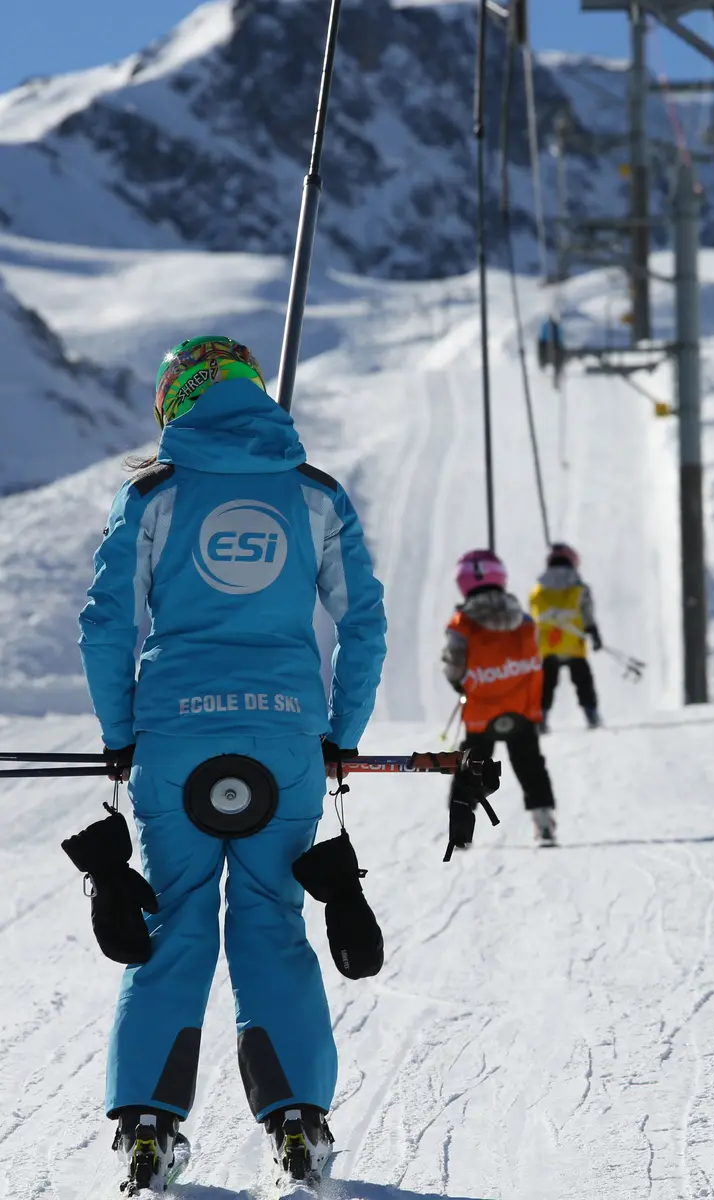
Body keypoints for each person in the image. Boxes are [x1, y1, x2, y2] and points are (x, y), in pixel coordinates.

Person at [73, 335, 387, 1194]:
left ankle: (147, 1128)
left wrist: (118, 733)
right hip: (284, 739)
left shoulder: (152, 494)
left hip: (174, 739)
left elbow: (107, 622)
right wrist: (342, 733)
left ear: (174, 402)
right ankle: (296, 1122)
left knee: (172, 922)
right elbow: (363, 622)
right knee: (269, 917)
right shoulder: (316, 494)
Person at [441, 549, 558, 846]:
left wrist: (459, 683)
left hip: (482, 711)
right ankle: (543, 820)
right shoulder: (523, 619)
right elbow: (535, 658)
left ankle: (460, 829)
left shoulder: (462, 624)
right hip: (520, 708)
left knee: (472, 766)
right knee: (530, 763)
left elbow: (454, 665)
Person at [528, 543, 602, 731]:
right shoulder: (580, 588)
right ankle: (591, 713)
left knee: (546, 682)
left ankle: (541, 717)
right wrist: (594, 634)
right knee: (583, 680)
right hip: (573, 643)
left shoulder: (538, 590)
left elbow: (535, 616)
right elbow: (587, 614)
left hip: (548, 644)